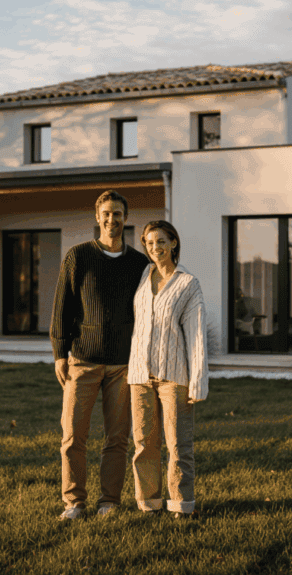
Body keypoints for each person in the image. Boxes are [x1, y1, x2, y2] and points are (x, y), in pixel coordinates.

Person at [50, 190, 150, 520]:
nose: (111, 219)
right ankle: (74, 502)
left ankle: (109, 501)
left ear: (125, 218)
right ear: (97, 217)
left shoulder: (139, 264)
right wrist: (60, 353)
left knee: (117, 438)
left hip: (123, 364)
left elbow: (146, 313)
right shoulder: (78, 257)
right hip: (83, 361)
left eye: (117, 213)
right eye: (106, 213)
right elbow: (62, 308)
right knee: (72, 436)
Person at [127, 220, 208, 517]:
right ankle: (149, 503)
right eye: (149, 243)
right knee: (144, 444)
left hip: (173, 376)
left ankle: (181, 506)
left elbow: (196, 334)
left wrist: (198, 380)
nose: (155, 248)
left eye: (161, 241)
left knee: (178, 445)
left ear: (173, 243)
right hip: (139, 375)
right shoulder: (142, 276)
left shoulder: (188, 283)